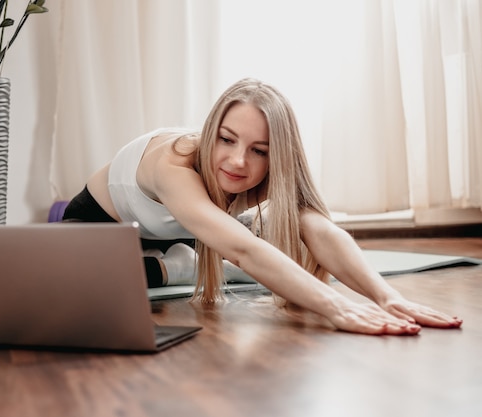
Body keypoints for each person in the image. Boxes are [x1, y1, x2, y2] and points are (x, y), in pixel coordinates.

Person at [62, 78, 463, 335]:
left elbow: (318, 227)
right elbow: (243, 248)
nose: (238, 161)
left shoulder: (261, 174)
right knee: (87, 288)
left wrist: (386, 296)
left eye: (259, 150)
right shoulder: (176, 166)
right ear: (211, 132)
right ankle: (179, 264)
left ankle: (184, 257)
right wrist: (336, 307)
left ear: (277, 156)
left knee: (264, 231)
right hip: (99, 226)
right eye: (226, 139)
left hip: (181, 230)